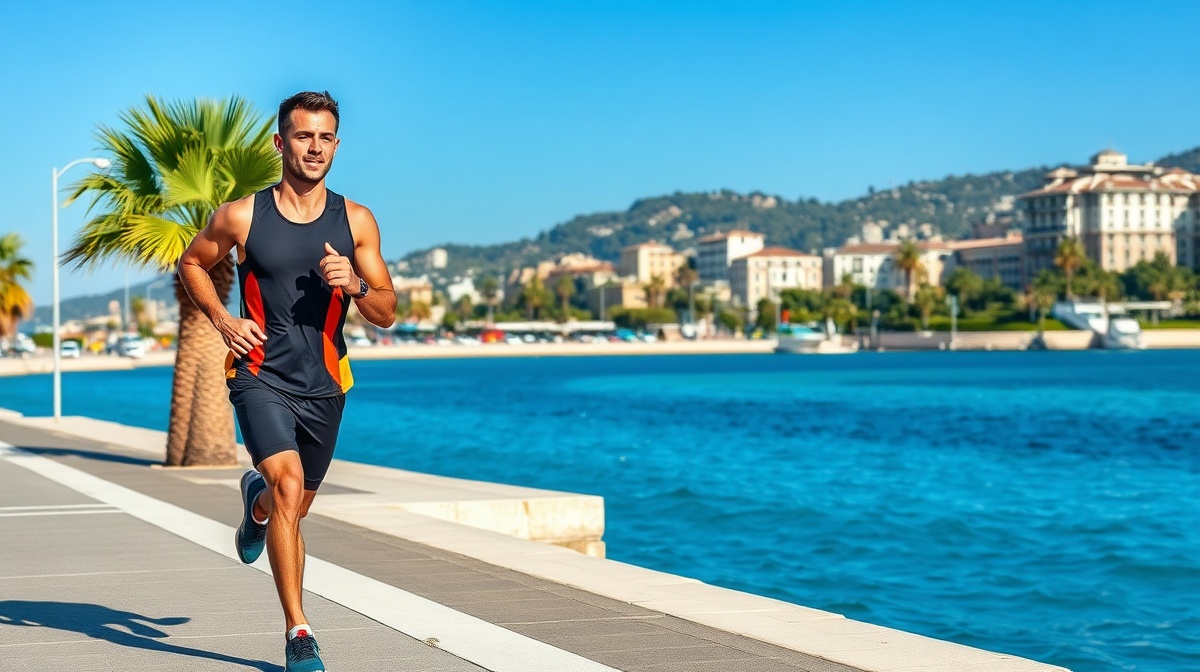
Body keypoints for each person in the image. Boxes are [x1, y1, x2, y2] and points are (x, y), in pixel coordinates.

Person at [178, 90, 396, 672]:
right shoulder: (243, 215)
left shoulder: (356, 221)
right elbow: (192, 262)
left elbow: (387, 309)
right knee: (289, 485)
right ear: (281, 142)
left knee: (291, 510)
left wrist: (353, 284)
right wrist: (224, 321)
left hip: (325, 385)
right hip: (258, 375)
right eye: (304, 136)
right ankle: (299, 631)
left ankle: (256, 510)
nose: (315, 148)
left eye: (325, 138)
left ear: (337, 145)